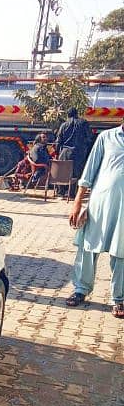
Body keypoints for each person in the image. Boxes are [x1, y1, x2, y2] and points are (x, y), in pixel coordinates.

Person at [66, 122, 124, 319]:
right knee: (88, 248)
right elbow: (88, 172)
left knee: (122, 253)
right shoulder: (106, 138)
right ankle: (80, 289)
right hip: (100, 204)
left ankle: (119, 299)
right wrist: (77, 203)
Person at [55, 107, 93, 196]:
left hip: (65, 152)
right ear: (77, 114)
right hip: (79, 152)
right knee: (76, 172)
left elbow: (58, 140)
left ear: (68, 114)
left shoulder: (64, 125)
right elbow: (89, 137)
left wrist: (57, 152)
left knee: (63, 171)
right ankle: (72, 193)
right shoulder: (83, 123)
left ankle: (61, 192)